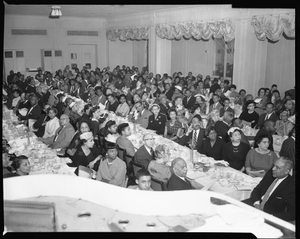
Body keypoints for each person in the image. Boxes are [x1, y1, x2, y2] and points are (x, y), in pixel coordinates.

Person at [242, 156, 295, 222]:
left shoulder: (291, 186)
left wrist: (270, 217)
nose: (273, 169)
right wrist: (257, 204)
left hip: (270, 215)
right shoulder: (271, 173)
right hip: (256, 205)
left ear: (286, 171)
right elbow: (257, 189)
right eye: (274, 165)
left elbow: (292, 213)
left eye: (277, 168)